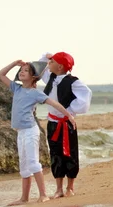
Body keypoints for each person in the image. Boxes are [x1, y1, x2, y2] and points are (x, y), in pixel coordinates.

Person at [0, 60, 77, 206]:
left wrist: (69, 116)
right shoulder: (17, 88)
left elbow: (54, 103)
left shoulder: (35, 93)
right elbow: (0, 74)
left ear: (33, 76)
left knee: (33, 163)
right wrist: (15, 63)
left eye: (26, 70)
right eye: (21, 70)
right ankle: (24, 198)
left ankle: (43, 195)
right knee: (24, 166)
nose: (22, 72)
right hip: (20, 132)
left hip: (30, 131)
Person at [38, 52, 92, 198]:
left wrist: (69, 111)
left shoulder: (72, 81)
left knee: (70, 154)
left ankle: (70, 187)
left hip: (67, 123)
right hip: (53, 122)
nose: (49, 63)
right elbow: (40, 66)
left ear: (60, 66)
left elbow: (86, 96)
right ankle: (58, 188)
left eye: (52, 62)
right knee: (55, 154)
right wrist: (47, 56)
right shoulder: (50, 77)